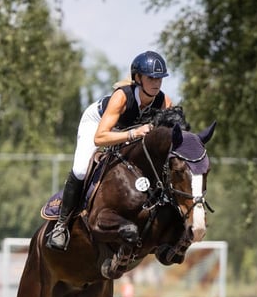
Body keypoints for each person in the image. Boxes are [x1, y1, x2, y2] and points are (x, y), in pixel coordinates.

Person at [46, 50, 174, 251]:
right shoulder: (121, 97)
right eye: (151, 78)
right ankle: (61, 226)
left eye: (159, 78)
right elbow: (100, 137)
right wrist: (134, 133)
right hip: (98, 124)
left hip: (128, 130)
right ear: (138, 78)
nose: (156, 83)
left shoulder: (165, 102)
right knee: (80, 170)